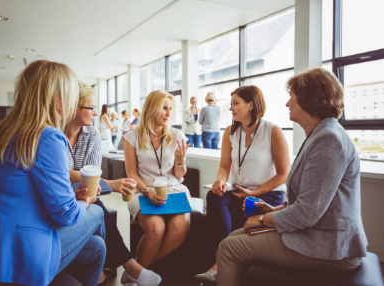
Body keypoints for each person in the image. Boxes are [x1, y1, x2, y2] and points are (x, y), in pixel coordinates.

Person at [0, 60, 106, 286]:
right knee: (97, 212)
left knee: (97, 247)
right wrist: (86, 200)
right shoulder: (48, 137)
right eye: (72, 97)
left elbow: (19, 192)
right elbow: (67, 215)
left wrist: (73, 198)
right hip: (16, 252)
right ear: (59, 101)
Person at [216, 68, 368, 286]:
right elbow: (310, 200)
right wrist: (274, 211)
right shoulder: (319, 135)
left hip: (332, 246)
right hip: (316, 233)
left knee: (229, 247)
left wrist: (261, 219)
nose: (287, 103)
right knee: (232, 237)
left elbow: (308, 212)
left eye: (292, 97)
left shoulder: (329, 140)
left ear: (309, 99)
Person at [65, 81, 162, 286]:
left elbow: (90, 177)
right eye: (91, 108)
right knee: (98, 209)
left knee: (95, 204)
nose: (95, 113)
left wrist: (86, 182)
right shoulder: (54, 135)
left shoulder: (92, 135)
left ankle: (118, 268)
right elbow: (58, 175)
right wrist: (109, 183)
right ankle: (129, 267)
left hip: (84, 194)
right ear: (74, 108)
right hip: (63, 195)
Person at [195, 85, 290, 283]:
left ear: (251, 105)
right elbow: (223, 166)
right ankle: (219, 262)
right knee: (214, 195)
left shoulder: (272, 131)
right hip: (237, 190)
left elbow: (283, 174)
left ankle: (221, 265)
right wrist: (221, 180)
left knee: (230, 209)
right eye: (231, 104)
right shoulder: (230, 131)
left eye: (235, 103)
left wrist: (255, 192)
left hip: (266, 194)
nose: (231, 108)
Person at [123, 90, 191, 270]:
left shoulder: (177, 136)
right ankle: (140, 273)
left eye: (171, 109)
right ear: (152, 108)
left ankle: (138, 270)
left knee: (181, 226)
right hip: (143, 190)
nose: (169, 113)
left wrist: (180, 160)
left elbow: (178, 174)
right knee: (156, 228)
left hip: (173, 189)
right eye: (164, 108)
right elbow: (132, 174)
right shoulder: (132, 137)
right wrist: (147, 191)